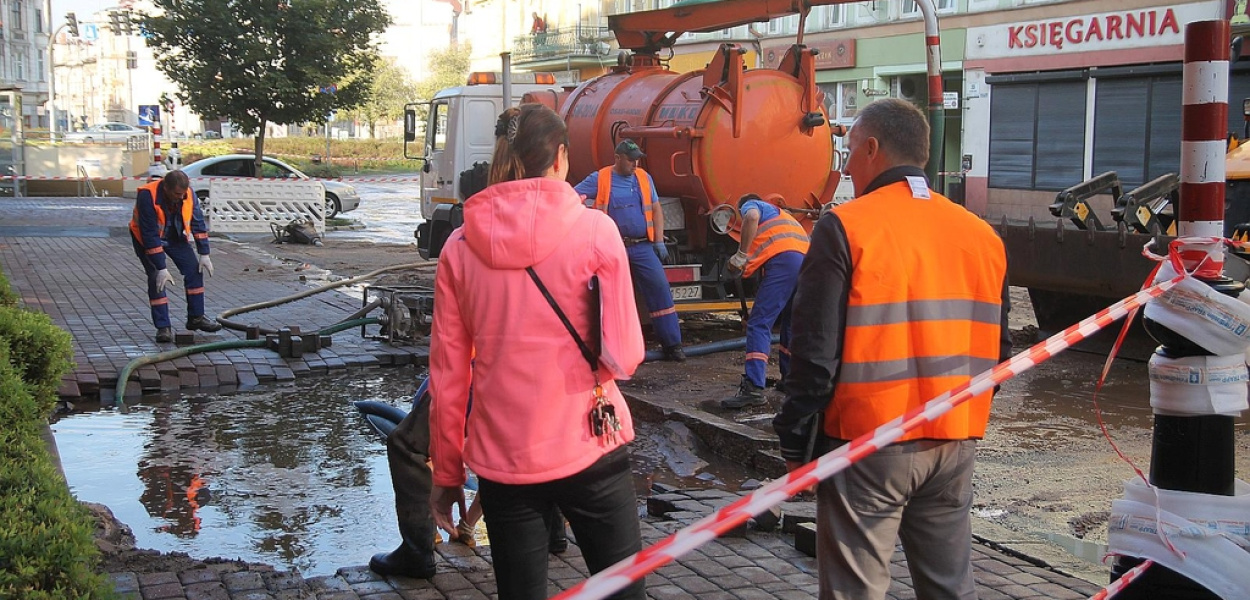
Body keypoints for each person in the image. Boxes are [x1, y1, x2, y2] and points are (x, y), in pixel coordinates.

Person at [772, 98, 1011, 600]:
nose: (846, 165)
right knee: (950, 587)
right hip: (954, 440)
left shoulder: (846, 227)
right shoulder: (982, 236)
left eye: (850, 150)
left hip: (867, 443)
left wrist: (796, 442)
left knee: (855, 590)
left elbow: (812, 352)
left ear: (873, 150)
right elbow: (1000, 348)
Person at [428, 104, 646, 600]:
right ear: (561, 157)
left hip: (504, 458)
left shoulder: (459, 249)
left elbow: (447, 375)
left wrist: (447, 472)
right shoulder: (596, 232)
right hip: (590, 442)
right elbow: (625, 357)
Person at [574, 139, 685, 362]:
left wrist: (659, 242)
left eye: (637, 160)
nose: (635, 164)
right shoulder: (600, 178)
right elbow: (571, 197)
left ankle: (673, 344)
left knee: (660, 288)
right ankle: (610, 349)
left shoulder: (644, 178)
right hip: (613, 248)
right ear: (617, 158)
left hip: (643, 246)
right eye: (631, 160)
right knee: (610, 296)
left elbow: (655, 208)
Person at [720, 193, 809, 409]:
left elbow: (750, 217)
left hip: (785, 261)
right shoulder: (784, 218)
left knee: (759, 325)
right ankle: (790, 379)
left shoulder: (752, 205)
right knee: (790, 322)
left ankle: (753, 388)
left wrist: (740, 255)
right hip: (806, 263)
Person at [129, 169, 222, 342]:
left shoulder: (188, 194)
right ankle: (163, 327)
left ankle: (196, 318)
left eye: (183, 193)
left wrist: (204, 253)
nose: (181, 197)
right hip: (146, 238)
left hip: (175, 236)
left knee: (194, 271)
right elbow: (150, 234)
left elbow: (197, 222)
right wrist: (161, 267)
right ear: (166, 188)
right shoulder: (147, 195)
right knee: (157, 278)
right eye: (177, 194)